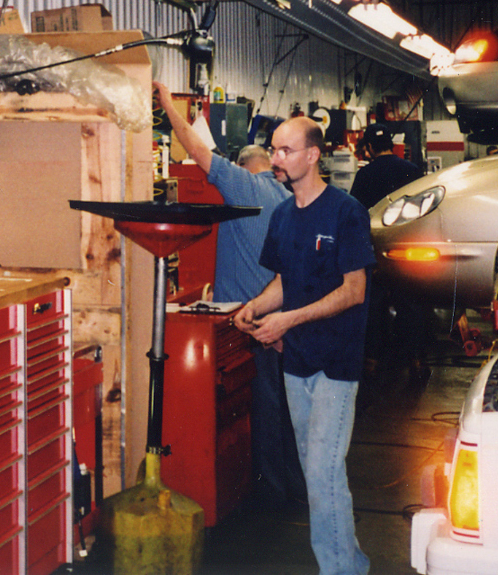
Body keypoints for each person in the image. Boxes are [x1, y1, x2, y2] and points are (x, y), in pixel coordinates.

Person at [152, 81, 306, 509]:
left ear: (244, 167)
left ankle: (270, 495)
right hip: (284, 324)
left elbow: (197, 150)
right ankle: (294, 488)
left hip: (248, 327)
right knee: (287, 412)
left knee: (263, 410)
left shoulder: (245, 187)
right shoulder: (290, 200)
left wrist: (167, 105)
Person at [235, 116, 373, 575]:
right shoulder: (282, 215)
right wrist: (256, 307)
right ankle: (350, 563)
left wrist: (288, 319)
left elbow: (354, 290)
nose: (276, 159)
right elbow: (283, 281)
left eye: (285, 151)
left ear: (312, 155)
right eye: (274, 149)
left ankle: (340, 570)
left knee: (322, 472)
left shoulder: (346, 212)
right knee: (319, 472)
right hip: (296, 362)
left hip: (336, 364)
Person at [349, 123, 428, 382]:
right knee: (411, 305)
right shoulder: (413, 171)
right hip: (408, 250)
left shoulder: (365, 175)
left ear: (370, 148)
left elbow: (356, 214)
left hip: (377, 251)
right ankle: (416, 361)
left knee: (374, 306)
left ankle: (372, 362)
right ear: (392, 145)